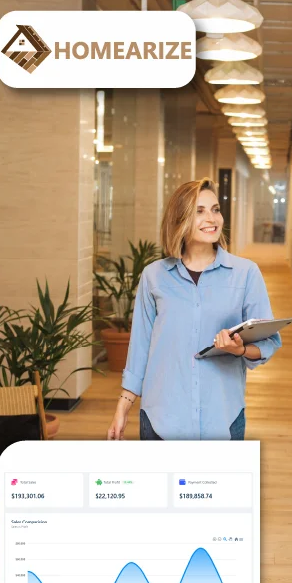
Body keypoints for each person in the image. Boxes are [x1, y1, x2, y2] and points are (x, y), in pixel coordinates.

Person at [107, 177, 281, 441]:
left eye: (215, 209)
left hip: (222, 418)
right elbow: (140, 346)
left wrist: (240, 349)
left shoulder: (246, 274)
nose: (211, 218)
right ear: (180, 219)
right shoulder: (154, 276)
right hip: (161, 419)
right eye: (199, 211)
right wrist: (123, 406)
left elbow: (268, 342)